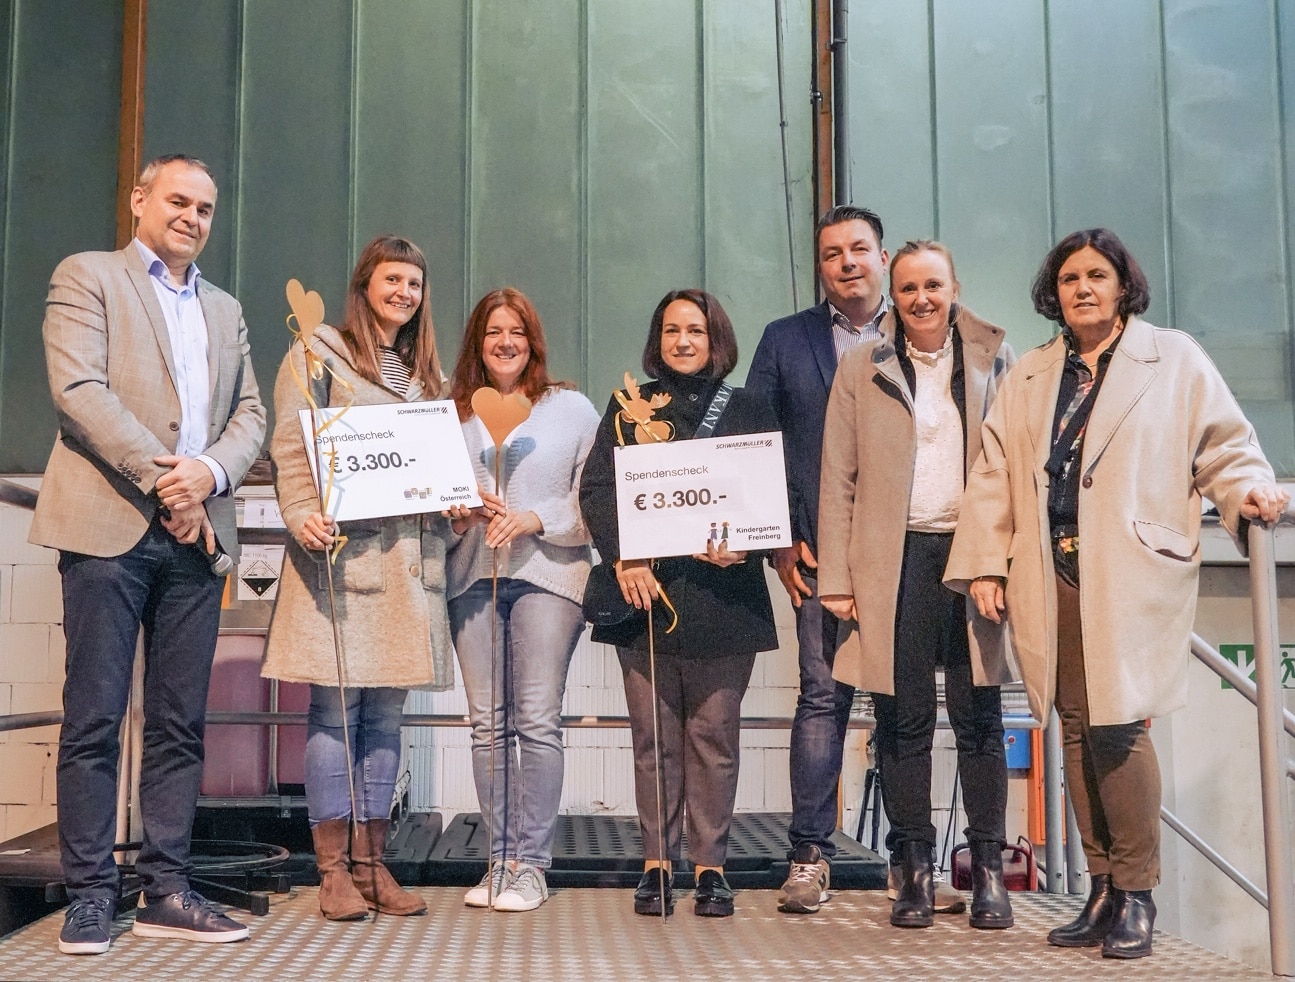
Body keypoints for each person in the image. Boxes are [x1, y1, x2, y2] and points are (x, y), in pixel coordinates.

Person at [945, 228, 1287, 959]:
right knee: (1072, 726)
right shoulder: (1031, 375)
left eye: (1096, 275)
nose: (1082, 289)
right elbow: (993, 473)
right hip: (1051, 573)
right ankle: (1101, 887)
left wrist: (1248, 491)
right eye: (1069, 279)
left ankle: (1137, 892)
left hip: (1130, 568)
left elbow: (1224, 446)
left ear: (1123, 285)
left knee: (1119, 724)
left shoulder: (1173, 359)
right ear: (1054, 293)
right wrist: (985, 564)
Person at [31, 153, 265, 954]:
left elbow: (251, 415)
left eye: (205, 208)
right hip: (108, 529)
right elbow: (80, 393)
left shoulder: (226, 309)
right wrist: (170, 482)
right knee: (94, 719)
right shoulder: (88, 277)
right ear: (139, 200)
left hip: (196, 540)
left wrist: (208, 475)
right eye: (177, 201)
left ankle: (167, 888)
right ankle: (91, 896)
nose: (192, 217)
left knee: (179, 725)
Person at [818, 241, 1016, 930]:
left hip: (972, 559)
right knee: (902, 722)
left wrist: (1000, 562)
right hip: (893, 561)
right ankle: (914, 871)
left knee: (979, 717)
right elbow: (837, 475)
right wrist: (837, 577)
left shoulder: (995, 358)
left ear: (954, 287)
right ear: (893, 295)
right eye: (907, 288)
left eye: (933, 285)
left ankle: (987, 871)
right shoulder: (860, 365)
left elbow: (1013, 470)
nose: (921, 298)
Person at [263, 234, 454, 921]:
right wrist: (300, 514)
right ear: (365, 284)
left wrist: (455, 499)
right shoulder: (319, 352)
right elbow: (291, 443)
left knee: (385, 719)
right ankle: (333, 871)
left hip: (408, 566)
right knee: (333, 715)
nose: (404, 292)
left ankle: (374, 867)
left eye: (414, 283)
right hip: (343, 559)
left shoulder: (426, 376)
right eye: (392, 279)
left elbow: (434, 465)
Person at [580, 289, 778, 918]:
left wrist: (746, 545)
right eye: (671, 330)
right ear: (656, 339)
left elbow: (770, 495)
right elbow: (598, 488)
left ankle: (711, 868)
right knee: (653, 740)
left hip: (726, 600)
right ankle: (657, 865)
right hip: (646, 596)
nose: (683, 341)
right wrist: (627, 555)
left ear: (716, 339)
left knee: (713, 737)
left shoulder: (749, 408)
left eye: (695, 330)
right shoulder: (628, 406)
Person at [445, 288, 600, 912]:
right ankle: (500, 860)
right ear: (477, 343)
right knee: (487, 725)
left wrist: (536, 517)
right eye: (492, 332)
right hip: (471, 578)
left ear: (533, 341)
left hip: (549, 577)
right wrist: (457, 514)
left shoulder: (571, 409)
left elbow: (596, 502)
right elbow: (429, 506)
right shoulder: (451, 415)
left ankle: (532, 866)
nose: (505, 342)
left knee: (536, 719)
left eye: (516, 331)